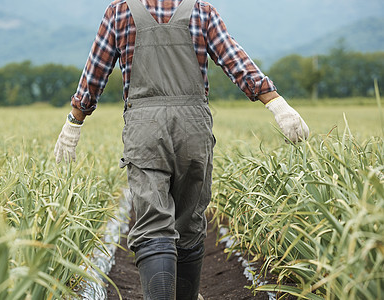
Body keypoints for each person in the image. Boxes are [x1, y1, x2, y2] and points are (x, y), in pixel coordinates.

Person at [54, 0, 309, 299]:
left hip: (145, 129)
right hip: (193, 129)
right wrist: (276, 104)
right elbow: (235, 62)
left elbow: (94, 75)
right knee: (189, 223)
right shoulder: (202, 11)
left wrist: (75, 121)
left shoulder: (119, 11)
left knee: (152, 224)